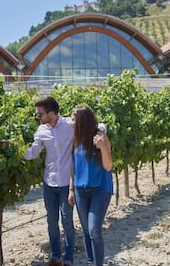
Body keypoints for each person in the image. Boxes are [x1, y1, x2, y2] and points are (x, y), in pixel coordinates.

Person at [24, 97, 75, 266]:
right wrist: (17, 148)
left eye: (40, 114)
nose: (38, 117)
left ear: (51, 113)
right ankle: (56, 256)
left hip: (67, 183)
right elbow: (33, 152)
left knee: (67, 221)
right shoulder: (41, 130)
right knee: (52, 221)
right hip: (49, 182)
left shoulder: (69, 125)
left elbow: (94, 127)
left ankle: (68, 258)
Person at [68, 106, 113, 266]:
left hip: (100, 190)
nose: (70, 122)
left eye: (73, 120)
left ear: (82, 122)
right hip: (81, 191)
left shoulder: (100, 137)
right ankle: (90, 262)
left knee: (94, 229)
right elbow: (72, 166)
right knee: (86, 231)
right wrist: (71, 189)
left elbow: (108, 166)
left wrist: (102, 148)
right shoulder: (75, 139)